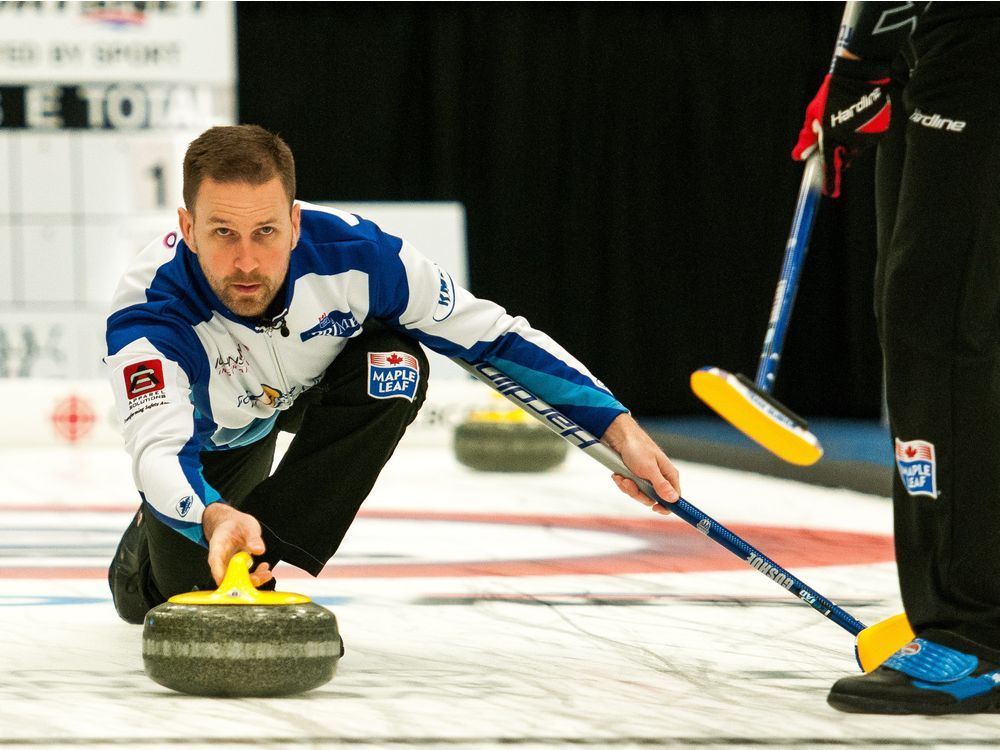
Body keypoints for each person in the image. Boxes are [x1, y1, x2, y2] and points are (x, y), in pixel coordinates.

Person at [106, 124, 680, 626]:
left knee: (395, 364)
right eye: (223, 233)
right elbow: (158, 446)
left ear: (295, 222)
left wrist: (617, 427)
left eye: (266, 232)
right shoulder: (148, 311)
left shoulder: (361, 255)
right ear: (187, 226)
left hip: (307, 389)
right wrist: (210, 513)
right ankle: (148, 560)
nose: (248, 262)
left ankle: (260, 549)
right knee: (170, 600)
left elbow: (495, 338)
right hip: (212, 435)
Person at [792, 1, 1000, 714]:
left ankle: (978, 632)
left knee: (938, 323)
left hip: (974, 38)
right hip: (934, 38)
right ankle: (960, 613)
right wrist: (869, 58)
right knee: (928, 315)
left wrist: (860, 59)